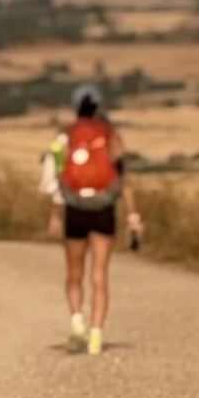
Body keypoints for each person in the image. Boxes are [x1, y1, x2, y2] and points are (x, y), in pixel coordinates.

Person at [49, 85, 137, 352]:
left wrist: (55, 214)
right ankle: (97, 333)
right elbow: (124, 180)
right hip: (103, 207)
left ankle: (77, 321)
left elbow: (55, 176)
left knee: (74, 272)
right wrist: (133, 215)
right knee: (99, 273)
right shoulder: (111, 135)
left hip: (75, 206)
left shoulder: (64, 136)